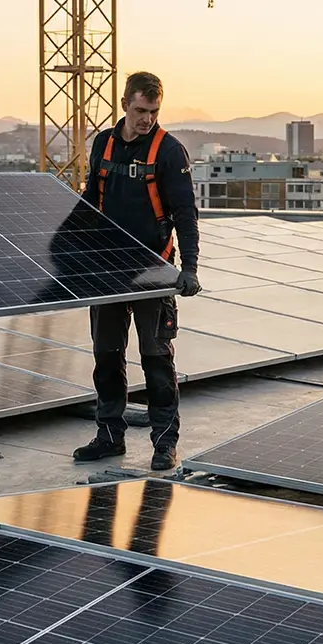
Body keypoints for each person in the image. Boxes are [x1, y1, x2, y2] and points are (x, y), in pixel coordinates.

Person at [71, 71, 201, 471]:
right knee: (106, 356)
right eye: (141, 110)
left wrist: (189, 268)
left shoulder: (169, 151)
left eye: (154, 111)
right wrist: (67, 252)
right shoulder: (104, 144)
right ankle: (109, 435)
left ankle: (164, 443)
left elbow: (184, 213)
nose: (147, 119)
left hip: (154, 271)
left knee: (155, 358)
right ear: (125, 103)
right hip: (108, 269)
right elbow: (91, 202)